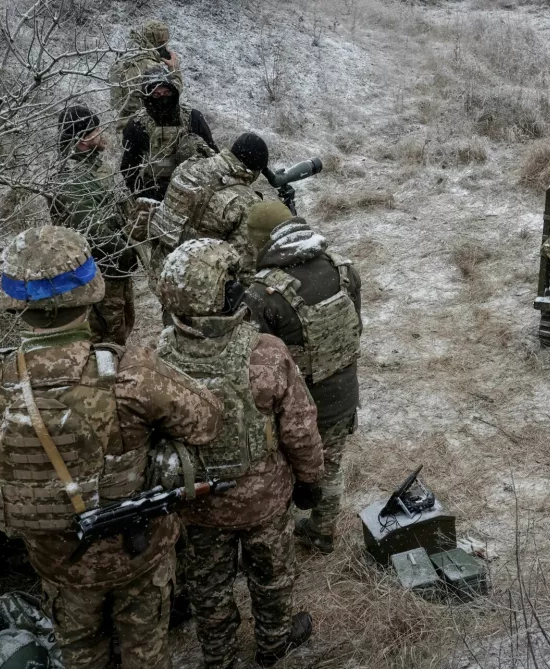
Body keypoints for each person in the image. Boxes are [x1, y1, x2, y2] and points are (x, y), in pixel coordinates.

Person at [0, 226, 224, 669]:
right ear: (91, 291)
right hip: (139, 553)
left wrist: (24, 487)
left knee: (78, 651)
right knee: (145, 652)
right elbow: (206, 421)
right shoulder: (129, 372)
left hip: (56, 558)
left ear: (15, 299)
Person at [155, 238, 324, 668]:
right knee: (272, 578)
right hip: (262, 499)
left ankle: (220, 657)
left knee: (208, 588)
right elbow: (300, 429)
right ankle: (274, 642)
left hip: (195, 501)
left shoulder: (158, 356)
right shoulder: (265, 352)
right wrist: (310, 481)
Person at [243, 203, 362, 554]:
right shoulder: (344, 269)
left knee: (278, 475)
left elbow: (258, 367)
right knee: (331, 466)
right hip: (343, 391)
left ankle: (276, 546)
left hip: (293, 409)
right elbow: (357, 329)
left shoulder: (263, 294)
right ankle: (322, 531)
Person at [51, 105, 139, 346]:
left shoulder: (90, 166)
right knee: (106, 342)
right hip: (99, 276)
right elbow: (93, 232)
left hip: (110, 271)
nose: (101, 134)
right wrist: (127, 253)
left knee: (119, 329)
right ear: (82, 140)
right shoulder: (73, 179)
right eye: (95, 130)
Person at [147, 132, 268, 287]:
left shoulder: (188, 166)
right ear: (256, 171)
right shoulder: (247, 202)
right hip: (198, 290)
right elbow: (247, 268)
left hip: (163, 274)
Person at [120, 65, 218, 202]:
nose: (162, 98)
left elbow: (213, 157)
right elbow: (129, 169)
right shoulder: (136, 125)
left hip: (194, 192)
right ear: (147, 96)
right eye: (156, 94)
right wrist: (144, 196)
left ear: (174, 92)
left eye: (166, 93)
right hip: (153, 193)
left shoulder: (192, 118)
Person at [109, 20, 184, 133]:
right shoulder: (150, 67)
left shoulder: (123, 58)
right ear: (160, 43)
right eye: (164, 43)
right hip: (142, 130)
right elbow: (171, 95)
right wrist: (174, 69)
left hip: (122, 127)